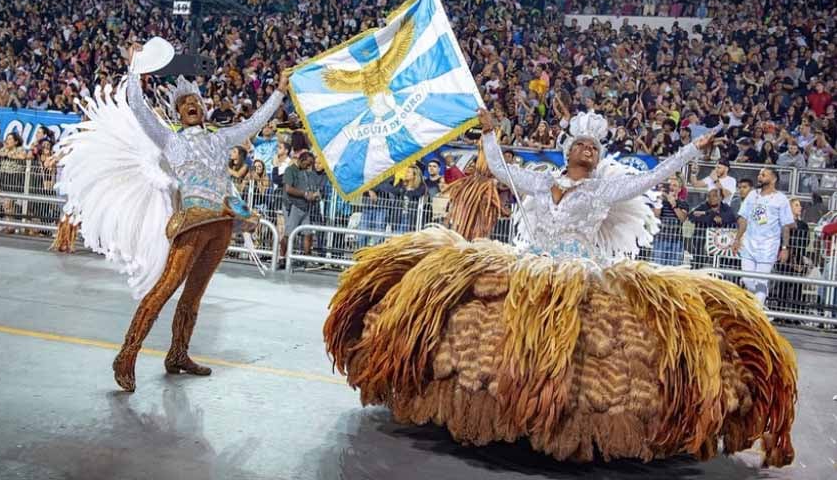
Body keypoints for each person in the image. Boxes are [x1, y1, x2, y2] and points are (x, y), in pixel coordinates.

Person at [324, 109, 796, 468]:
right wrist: (489, 130)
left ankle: (557, 417)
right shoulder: (539, 179)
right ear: (567, 148)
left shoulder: (604, 191)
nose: (588, 150)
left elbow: (655, 176)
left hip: (579, 274)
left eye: (595, 146)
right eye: (582, 144)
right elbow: (494, 164)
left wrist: (696, 149)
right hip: (530, 268)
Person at [56, 41, 284, 392]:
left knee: (194, 295)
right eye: (184, 104)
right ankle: (127, 354)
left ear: (204, 110)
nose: (191, 105)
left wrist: (279, 93)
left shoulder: (222, 139)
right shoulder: (170, 140)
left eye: (196, 102)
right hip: (192, 223)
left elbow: (255, 122)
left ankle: (178, 354)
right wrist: (134, 71)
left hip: (222, 223)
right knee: (165, 288)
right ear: (179, 114)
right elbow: (139, 107)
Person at [732, 168, 796, 309]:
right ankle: (757, 306)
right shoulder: (752, 195)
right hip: (749, 243)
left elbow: (786, 225)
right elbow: (743, 218)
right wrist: (737, 239)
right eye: (759, 174)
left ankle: (756, 312)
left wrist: (785, 248)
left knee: (761, 280)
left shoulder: (781, 199)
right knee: (747, 279)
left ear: (773, 179)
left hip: (768, 246)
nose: (759, 177)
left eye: (763, 175)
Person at [688, 188, 738, 269]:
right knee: (698, 264)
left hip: (721, 243)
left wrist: (705, 214)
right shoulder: (703, 206)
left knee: (720, 265)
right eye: (709, 196)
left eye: (715, 196)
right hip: (701, 242)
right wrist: (712, 215)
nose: (711, 198)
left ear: (721, 197)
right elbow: (691, 216)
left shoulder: (726, 207)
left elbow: (730, 218)